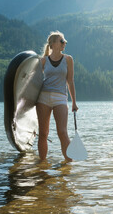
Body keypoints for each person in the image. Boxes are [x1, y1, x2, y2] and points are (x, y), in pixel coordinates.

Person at [36, 31, 78, 162]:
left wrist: (74, 103)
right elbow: (33, 80)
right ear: (53, 44)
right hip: (43, 98)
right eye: (61, 41)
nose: (64, 43)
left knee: (62, 133)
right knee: (43, 133)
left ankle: (68, 166)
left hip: (60, 98)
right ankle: (42, 164)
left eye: (64, 41)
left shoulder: (68, 59)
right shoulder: (43, 61)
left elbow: (70, 81)